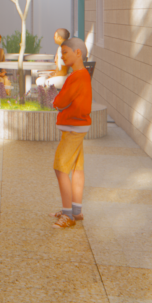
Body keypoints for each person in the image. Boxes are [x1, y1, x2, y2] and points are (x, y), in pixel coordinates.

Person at [52, 37, 90, 228]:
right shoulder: (84, 75)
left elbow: (60, 100)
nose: (62, 56)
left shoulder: (75, 77)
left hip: (73, 128)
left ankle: (67, 215)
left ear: (78, 53)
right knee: (77, 168)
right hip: (79, 126)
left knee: (60, 168)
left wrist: (56, 102)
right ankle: (76, 211)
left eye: (65, 52)